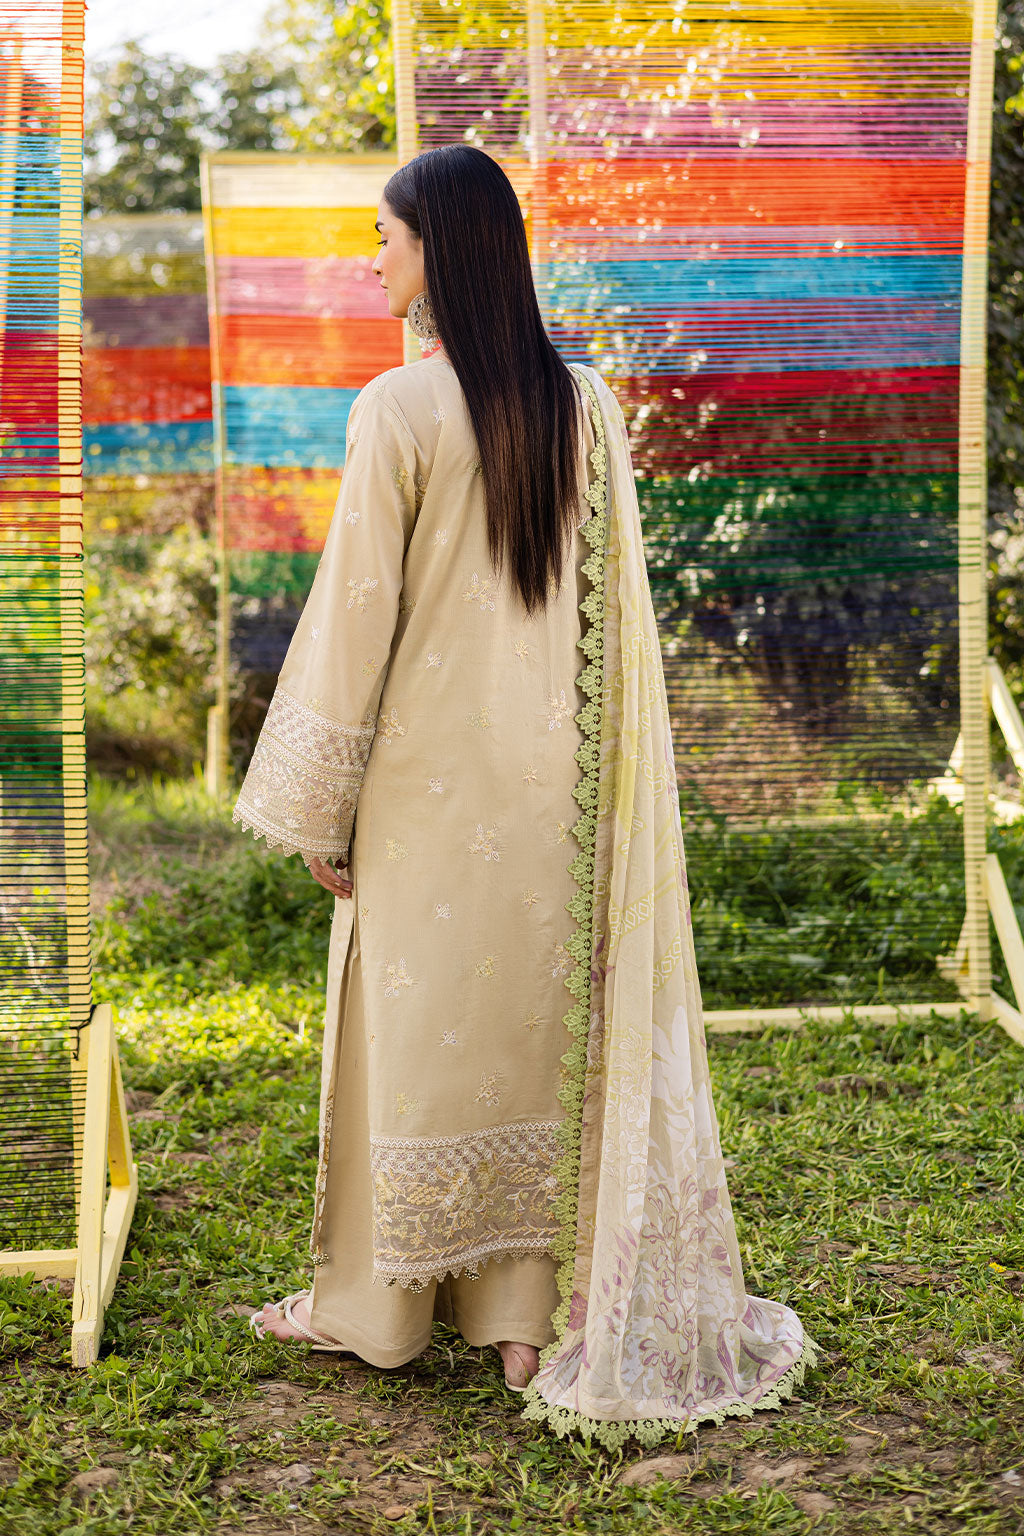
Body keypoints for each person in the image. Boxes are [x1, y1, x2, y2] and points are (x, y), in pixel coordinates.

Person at [236, 144, 816, 1446]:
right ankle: (523, 1327)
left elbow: (355, 621)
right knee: (540, 1038)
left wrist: (322, 804)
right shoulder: (587, 406)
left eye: (382, 238)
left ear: (437, 248)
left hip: (425, 792)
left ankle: (382, 1316)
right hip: (563, 789)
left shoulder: (396, 408)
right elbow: (613, 622)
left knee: (416, 1041)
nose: (369, 262)